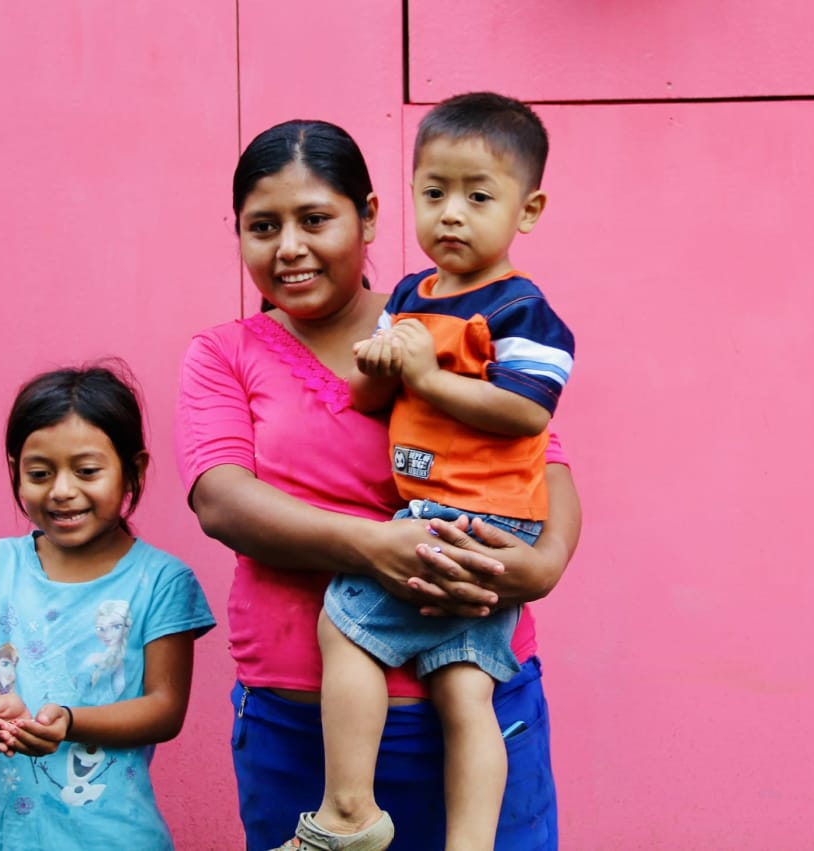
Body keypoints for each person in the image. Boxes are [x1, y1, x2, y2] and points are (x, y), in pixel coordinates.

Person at [175, 118, 581, 851]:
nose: (289, 247)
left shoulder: (447, 318)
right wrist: (376, 547)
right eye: (262, 226)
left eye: (316, 219)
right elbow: (221, 498)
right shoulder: (223, 353)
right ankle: (347, 807)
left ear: (367, 216)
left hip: (481, 712)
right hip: (299, 735)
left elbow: (543, 456)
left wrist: (542, 564)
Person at [296, 91, 574, 851]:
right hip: (447, 510)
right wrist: (383, 365)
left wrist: (426, 374)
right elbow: (367, 395)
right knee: (462, 688)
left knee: (344, 626)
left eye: (478, 196)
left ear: (528, 209)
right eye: (434, 192)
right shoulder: (413, 295)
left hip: (465, 514)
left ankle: (349, 813)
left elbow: (527, 414)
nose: (452, 213)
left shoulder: (524, 311)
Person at [0, 364, 216, 850]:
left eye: (86, 471)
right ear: (15, 471)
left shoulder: (162, 581)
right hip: (1, 835)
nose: (62, 490)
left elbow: (165, 709)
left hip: (114, 837)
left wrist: (70, 721)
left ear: (134, 470)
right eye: (40, 474)